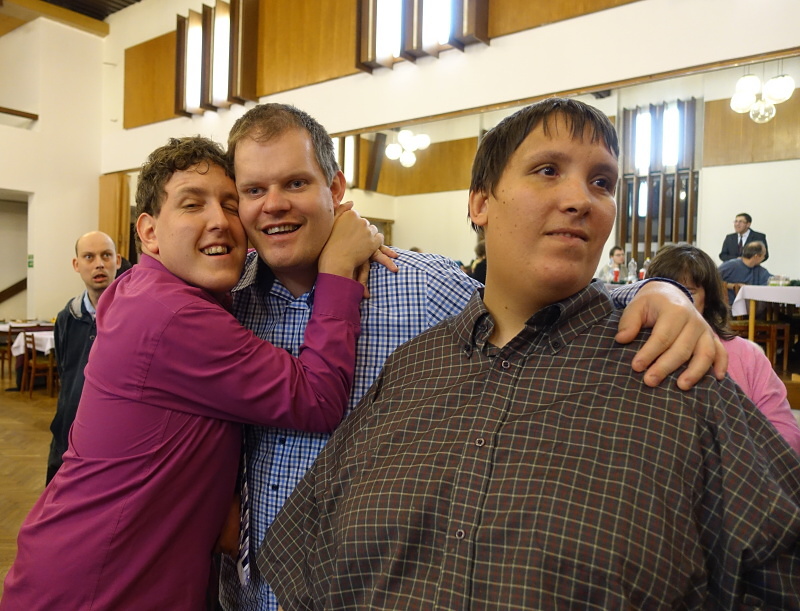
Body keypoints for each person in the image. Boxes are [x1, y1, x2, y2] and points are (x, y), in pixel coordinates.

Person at [257, 98, 800, 609]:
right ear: (480, 203)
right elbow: (309, 560)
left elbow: (779, 572)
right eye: (547, 170)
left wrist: (663, 289)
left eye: (602, 182)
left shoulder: (676, 374)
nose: (580, 199)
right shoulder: (412, 368)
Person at [0, 137, 386, 609]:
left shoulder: (142, 286)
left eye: (230, 204)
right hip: (99, 586)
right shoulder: (173, 314)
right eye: (192, 204)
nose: (219, 220)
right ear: (149, 233)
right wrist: (337, 266)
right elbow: (317, 399)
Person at [647, 243, 800, 452]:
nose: (674, 303)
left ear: (708, 299)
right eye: (664, 291)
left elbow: (785, 434)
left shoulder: (746, 355)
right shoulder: (635, 348)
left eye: (688, 292)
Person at [45, 231, 121, 484]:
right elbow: (65, 372)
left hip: (112, 442)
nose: (99, 264)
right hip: (66, 435)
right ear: (76, 264)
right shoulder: (66, 317)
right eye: (89, 257)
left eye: (106, 255)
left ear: (118, 260)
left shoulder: (133, 314)